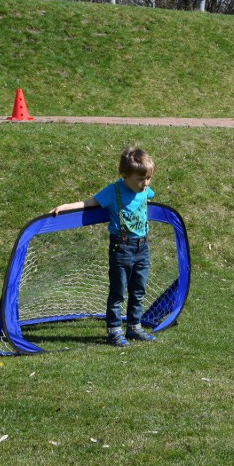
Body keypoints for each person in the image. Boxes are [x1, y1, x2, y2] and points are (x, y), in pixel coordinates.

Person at [50, 147, 158, 347]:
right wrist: (65, 206)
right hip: (122, 248)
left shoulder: (144, 190)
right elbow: (89, 202)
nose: (145, 184)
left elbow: (146, 197)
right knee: (118, 291)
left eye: (148, 178)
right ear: (124, 175)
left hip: (142, 247)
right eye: (140, 180)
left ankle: (134, 327)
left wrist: (145, 193)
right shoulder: (113, 191)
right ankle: (114, 330)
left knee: (138, 289)